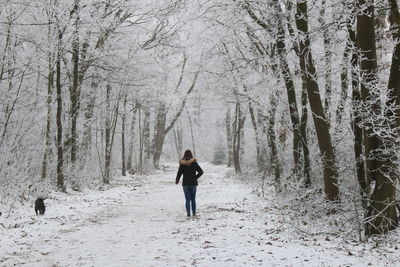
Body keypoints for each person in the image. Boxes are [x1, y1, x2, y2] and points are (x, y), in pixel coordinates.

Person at [175, 150, 203, 217]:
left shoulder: (182, 164)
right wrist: (195, 177)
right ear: (191, 155)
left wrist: (177, 180)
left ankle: (188, 214)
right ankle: (194, 213)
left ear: (184, 155)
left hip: (185, 184)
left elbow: (179, 173)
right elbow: (201, 172)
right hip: (193, 184)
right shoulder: (194, 163)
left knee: (187, 199)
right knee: (193, 199)